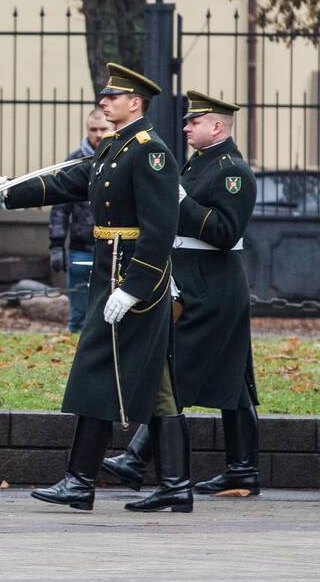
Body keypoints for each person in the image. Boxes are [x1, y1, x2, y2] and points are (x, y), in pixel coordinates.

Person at [0, 63, 189, 513]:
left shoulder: (150, 152)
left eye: (113, 97)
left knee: (98, 372)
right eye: (103, 96)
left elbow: (159, 229)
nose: (103, 102)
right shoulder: (115, 147)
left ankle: (80, 480)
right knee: (155, 385)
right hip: (109, 273)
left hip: (131, 281)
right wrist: (4, 191)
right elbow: (67, 181)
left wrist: (134, 288)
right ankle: (174, 484)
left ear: (136, 103)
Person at [103, 90, 261, 496]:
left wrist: (180, 201)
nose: (186, 126)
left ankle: (136, 459)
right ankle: (242, 468)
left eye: (194, 121)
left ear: (217, 126)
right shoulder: (201, 162)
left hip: (212, 285)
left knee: (176, 372)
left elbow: (225, 234)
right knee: (233, 377)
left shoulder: (232, 171)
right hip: (197, 280)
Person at [50, 108, 111, 333]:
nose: (97, 134)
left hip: (113, 246)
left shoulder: (120, 158)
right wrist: (56, 246)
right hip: (80, 247)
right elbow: (60, 207)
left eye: (103, 129)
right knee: (78, 315)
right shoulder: (75, 160)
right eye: (93, 129)